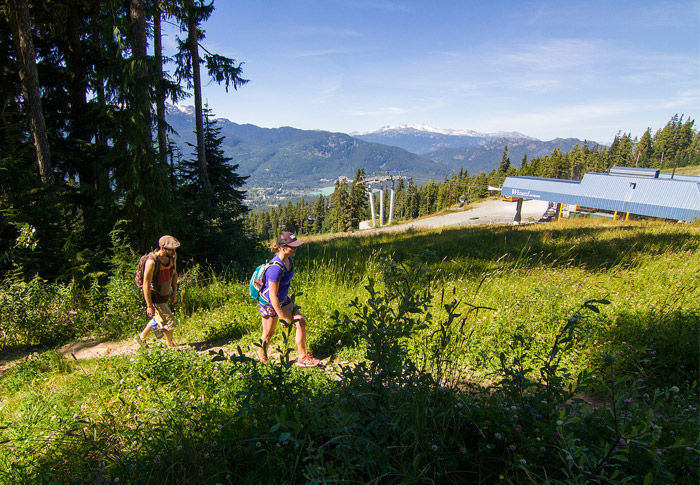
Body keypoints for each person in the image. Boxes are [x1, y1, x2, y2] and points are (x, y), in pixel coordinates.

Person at [258, 232, 320, 366]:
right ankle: (262, 361)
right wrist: (281, 316)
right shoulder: (275, 268)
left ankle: (302, 358)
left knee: (300, 322)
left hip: (283, 300)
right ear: (282, 247)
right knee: (268, 334)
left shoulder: (289, 260)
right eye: (292, 246)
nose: (295, 249)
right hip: (269, 303)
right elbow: (272, 295)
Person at [134, 235, 180, 348]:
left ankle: (140, 338)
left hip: (165, 294)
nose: (174, 251)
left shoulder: (172, 257)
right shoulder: (152, 262)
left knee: (157, 318)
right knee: (169, 321)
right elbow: (145, 284)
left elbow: (174, 274)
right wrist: (149, 305)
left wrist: (174, 292)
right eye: (171, 249)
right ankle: (170, 345)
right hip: (155, 295)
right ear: (163, 248)